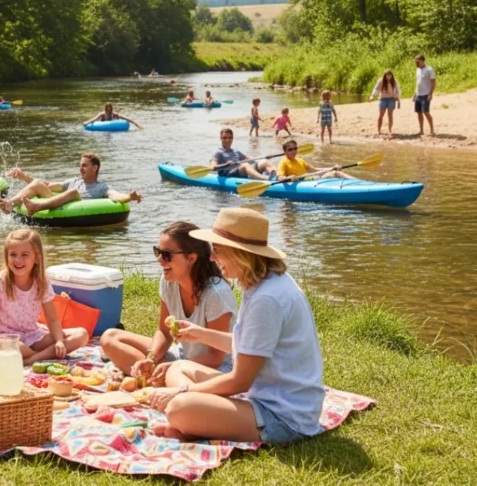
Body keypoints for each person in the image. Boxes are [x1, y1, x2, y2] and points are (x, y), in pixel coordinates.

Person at [149, 207, 324, 444]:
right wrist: (200, 334)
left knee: (179, 407)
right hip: (261, 397)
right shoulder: (263, 284)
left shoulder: (266, 299)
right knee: (178, 368)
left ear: (239, 253)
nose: (211, 257)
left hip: (283, 417)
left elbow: (240, 381)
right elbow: (251, 345)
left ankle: (193, 422)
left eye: (217, 250)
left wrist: (180, 392)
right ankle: (199, 422)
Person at [100, 222, 237, 383]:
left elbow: (215, 357)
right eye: (157, 252)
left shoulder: (216, 295)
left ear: (191, 258)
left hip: (216, 370)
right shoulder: (168, 282)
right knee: (110, 337)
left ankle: (159, 379)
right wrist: (151, 359)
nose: (159, 259)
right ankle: (153, 376)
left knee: (177, 384)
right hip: (181, 357)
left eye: (166, 254)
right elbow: (164, 332)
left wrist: (174, 367)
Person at [0, 228, 89, 362]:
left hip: (33, 336)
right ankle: (39, 355)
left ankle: (31, 359)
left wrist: (60, 341)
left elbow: (53, 320)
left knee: (81, 335)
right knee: (18, 348)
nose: (18, 260)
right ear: (6, 256)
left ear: (36, 258)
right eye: (13, 254)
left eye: (24, 255)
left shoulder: (41, 283)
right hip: (4, 338)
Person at [0, 153, 142, 216]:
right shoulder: (74, 181)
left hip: (79, 207)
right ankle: (9, 205)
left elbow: (117, 196)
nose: (80, 168)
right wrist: (23, 176)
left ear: (95, 168)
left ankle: (37, 207)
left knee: (73, 192)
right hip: (61, 204)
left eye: (84, 165)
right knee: (38, 183)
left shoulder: (102, 187)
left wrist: (130, 196)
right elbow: (48, 185)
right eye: (80, 165)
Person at [211, 128, 277, 181]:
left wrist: (264, 158)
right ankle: (266, 178)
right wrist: (226, 164)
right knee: (245, 165)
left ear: (232, 138)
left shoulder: (235, 151)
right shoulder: (218, 152)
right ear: (221, 138)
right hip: (229, 174)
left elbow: (251, 160)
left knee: (264, 162)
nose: (227, 140)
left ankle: (279, 176)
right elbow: (213, 167)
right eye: (225, 138)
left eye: (230, 137)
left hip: (239, 172)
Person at [277, 139, 351, 180]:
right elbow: (279, 177)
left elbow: (315, 170)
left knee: (336, 172)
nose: (293, 151)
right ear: (285, 151)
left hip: (310, 178)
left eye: (295, 148)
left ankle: (359, 183)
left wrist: (332, 168)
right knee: (336, 173)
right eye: (290, 149)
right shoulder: (283, 162)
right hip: (303, 182)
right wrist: (289, 177)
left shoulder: (300, 160)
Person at [369, 70, 401, 136]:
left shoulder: (394, 81)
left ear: (392, 75)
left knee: (390, 114)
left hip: (391, 99)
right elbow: (376, 88)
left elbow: (398, 90)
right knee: (381, 114)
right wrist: (372, 96)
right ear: (385, 75)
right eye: (387, 75)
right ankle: (379, 130)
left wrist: (398, 99)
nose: (388, 77)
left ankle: (390, 130)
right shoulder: (381, 81)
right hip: (383, 98)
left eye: (390, 75)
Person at [413, 54, 436, 136]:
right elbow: (417, 83)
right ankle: (421, 130)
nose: (416, 63)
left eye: (417, 61)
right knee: (419, 113)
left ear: (422, 61)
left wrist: (430, 94)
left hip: (426, 94)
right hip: (418, 95)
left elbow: (433, 82)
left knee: (425, 111)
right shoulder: (417, 70)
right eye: (415, 61)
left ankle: (432, 130)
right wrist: (415, 94)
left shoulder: (429, 70)